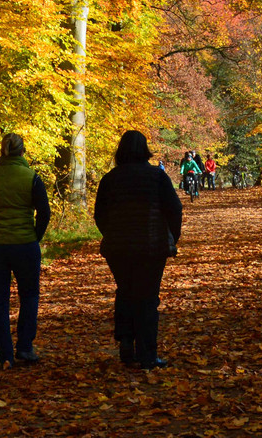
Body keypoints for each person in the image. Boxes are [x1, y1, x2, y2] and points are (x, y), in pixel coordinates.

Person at [94, 131, 183, 369]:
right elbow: (175, 209)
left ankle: (125, 342)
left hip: (118, 249)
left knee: (125, 291)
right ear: (145, 149)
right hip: (151, 247)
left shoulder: (110, 179)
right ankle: (147, 354)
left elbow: (99, 215)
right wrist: (173, 237)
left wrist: (112, 234)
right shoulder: (157, 177)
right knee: (147, 298)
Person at [0, 132, 51, 370]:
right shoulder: (31, 178)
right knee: (29, 295)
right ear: (23, 152)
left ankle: (5, 354)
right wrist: (35, 236)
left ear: (1, 151)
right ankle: (25, 347)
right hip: (24, 244)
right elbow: (44, 212)